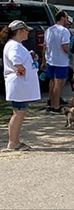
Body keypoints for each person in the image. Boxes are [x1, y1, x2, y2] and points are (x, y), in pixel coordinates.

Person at [3, 21, 40, 151]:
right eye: (26, 30)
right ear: (19, 31)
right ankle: (13, 142)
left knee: (19, 112)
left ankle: (14, 141)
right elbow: (15, 60)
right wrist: (22, 69)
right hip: (19, 84)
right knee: (18, 113)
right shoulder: (14, 46)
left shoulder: (16, 45)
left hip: (19, 84)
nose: (28, 33)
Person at [45, 10, 72, 113]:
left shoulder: (49, 30)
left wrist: (44, 60)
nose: (67, 20)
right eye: (66, 18)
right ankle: (56, 106)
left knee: (52, 82)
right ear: (62, 18)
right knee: (58, 83)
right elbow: (65, 46)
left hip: (51, 59)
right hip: (61, 60)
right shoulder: (64, 31)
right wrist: (72, 52)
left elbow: (45, 46)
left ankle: (52, 103)